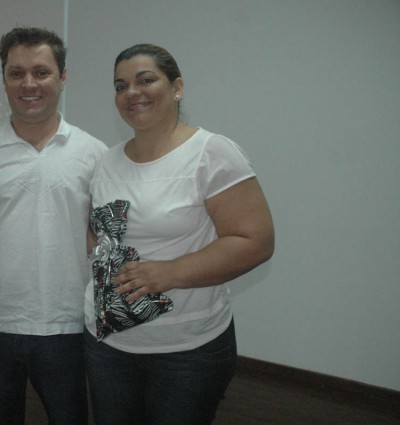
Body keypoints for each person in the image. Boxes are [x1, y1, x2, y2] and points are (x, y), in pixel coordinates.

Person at [84, 44, 275, 425]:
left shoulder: (211, 153)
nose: (132, 92)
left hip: (187, 352)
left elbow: (255, 242)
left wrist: (168, 272)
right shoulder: (106, 160)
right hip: (107, 342)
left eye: (145, 80)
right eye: (121, 86)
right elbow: (101, 234)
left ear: (177, 88)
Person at [0, 27, 107, 425]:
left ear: (63, 78)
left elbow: (105, 242)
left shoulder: (95, 154)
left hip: (68, 325)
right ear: (3, 80)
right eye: (17, 73)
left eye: (41, 72)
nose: (28, 84)